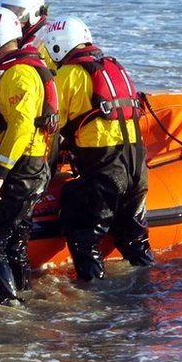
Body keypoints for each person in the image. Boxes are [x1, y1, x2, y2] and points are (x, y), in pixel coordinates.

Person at [43, 16, 154, 281]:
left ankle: (95, 302)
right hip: (137, 167)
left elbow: (52, 127)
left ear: (57, 46)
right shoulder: (114, 67)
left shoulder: (67, 75)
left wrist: (46, 172)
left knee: (84, 239)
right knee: (136, 239)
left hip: (105, 173)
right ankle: (148, 288)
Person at [0, 7, 56, 306]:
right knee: (14, 240)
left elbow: (21, 127)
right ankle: (23, 294)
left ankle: (11, 305)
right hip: (23, 165)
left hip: (19, 169)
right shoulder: (13, 70)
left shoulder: (18, 75)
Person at [0, 0, 55, 72]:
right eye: (6, 11)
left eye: (17, 13)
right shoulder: (19, 37)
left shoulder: (46, 45)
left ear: (34, 14)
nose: (9, 19)